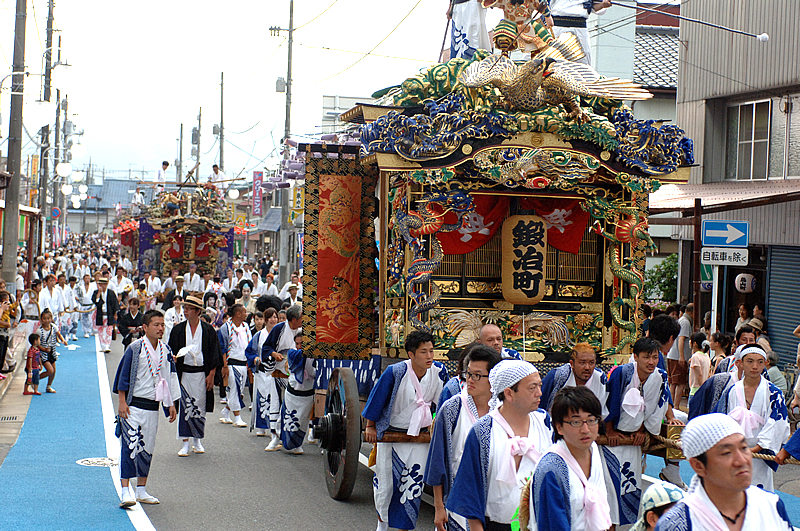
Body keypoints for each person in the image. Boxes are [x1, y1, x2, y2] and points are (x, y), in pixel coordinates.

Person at [447, 360, 551, 531]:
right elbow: (469, 490)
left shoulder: (545, 422)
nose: (539, 393)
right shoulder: (483, 431)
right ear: (509, 393)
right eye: (532, 388)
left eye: (540, 386)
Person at [363, 331, 450, 531]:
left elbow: (443, 402)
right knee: (386, 485)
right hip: (392, 435)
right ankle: (381, 525)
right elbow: (377, 400)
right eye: (423, 352)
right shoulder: (396, 372)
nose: (429, 356)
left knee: (413, 483)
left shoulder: (439, 371)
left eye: (431, 351)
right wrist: (371, 426)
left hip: (420, 436)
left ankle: (404, 528)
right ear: (411, 355)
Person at [655, 413, 793, 531]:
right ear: (698, 465)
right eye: (727, 453)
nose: (741, 460)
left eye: (744, 448)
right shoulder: (678, 523)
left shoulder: (771, 505)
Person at [603, 337, 683, 526]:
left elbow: (654, 407)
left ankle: (626, 526)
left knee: (629, 487)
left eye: (655, 357)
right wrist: (608, 431)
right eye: (646, 357)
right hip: (613, 438)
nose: (651, 362)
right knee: (610, 488)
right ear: (635, 357)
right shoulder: (622, 374)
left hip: (634, 440)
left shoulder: (660, 377)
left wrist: (642, 431)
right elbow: (609, 402)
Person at [425, 344, 502, 531]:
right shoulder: (452, 408)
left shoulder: (503, 409)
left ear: (493, 378)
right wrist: (438, 507)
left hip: (496, 501)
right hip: (459, 501)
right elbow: (438, 461)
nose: (470, 380)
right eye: (468, 374)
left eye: (477, 375)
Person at [113, 310, 180, 508]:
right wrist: (122, 402)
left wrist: (170, 404)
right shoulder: (135, 348)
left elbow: (168, 378)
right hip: (133, 406)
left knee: (147, 447)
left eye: (162, 325)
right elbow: (123, 375)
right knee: (130, 446)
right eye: (156, 325)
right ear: (145, 327)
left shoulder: (166, 350)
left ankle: (141, 489)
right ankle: (126, 490)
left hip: (152, 406)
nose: (161, 328)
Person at [524, 386, 611, 531]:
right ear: (559, 427)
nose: (586, 429)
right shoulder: (552, 469)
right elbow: (553, 524)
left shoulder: (593, 450)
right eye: (576, 422)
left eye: (591, 420)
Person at [714, 345, 789, 492]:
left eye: (760, 362)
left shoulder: (774, 393)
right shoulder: (731, 391)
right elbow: (721, 420)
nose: (755, 366)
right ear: (740, 363)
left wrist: (756, 448)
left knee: (758, 497)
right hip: (734, 452)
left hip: (760, 454)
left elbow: (777, 424)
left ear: (766, 364)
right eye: (750, 361)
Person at [168, 295, 222, 457]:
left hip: (201, 374)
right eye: (184, 308)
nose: (185, 311)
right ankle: (185, 441)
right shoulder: (178, 330)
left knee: (199, 405)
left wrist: (211, 375)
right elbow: (170, 351)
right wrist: (173, 358)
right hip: (184, 373)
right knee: (185, 406)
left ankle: (197, 439)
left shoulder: (208, 330)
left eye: (189, 309)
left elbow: (215, 354)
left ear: (198, 311)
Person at [260, 304, 303, 451]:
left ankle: (295, 442)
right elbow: (266, 347)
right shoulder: (279, 329)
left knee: (294, 407)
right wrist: (274, 354)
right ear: (294, 319)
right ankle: (274, 438)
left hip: (297, 374)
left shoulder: (302, 331)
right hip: (279, 372)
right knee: (276, 404)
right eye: (301, 317)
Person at [540, 342, 608, 417]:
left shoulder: (600, 378)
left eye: (591, 363)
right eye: (582, 363)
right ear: (572, 364)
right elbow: (540, 403)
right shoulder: (559, 376)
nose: (587, 367)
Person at [279, 332, 315, 454]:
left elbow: (315, 372)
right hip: (293, 391)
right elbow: (293, 365)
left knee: (303, 420)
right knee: (289, 416)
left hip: (308, 392)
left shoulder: (314, 355)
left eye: (302, 343)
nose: (299, 346)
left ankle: (298, 444)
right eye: (297, 343)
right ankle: (287, 441)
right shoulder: (293, 353)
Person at [217, 303, 252, 428]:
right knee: (235, 389)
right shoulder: (225, 328)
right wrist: (224, 366)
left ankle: (226, 412)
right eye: (244, 312)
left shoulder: (246, 327)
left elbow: (249, 345)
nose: (246, 314)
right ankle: (237, 417)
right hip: (232, 363)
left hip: (243, 362)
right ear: (238, 313)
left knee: (238, 390)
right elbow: (223, 349)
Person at [549, 0, 612, 66]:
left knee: (583, 64)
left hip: (580, 27)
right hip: (557, 26)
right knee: (554, 61)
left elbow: (593, 7)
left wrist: (602, 5)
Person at [667, 303, 693, 410]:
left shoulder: (681, 320)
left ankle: (672, 405)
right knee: (679, 382)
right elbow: (681, 339)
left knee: (673, 382)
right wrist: (682, 356)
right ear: (691, 312)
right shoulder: (685, 322)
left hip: (673, 355)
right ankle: (675, 406)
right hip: (678, 356)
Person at [92, 277, 119, 353]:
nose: (102, 286)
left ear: (107, 284)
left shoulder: (111, 293)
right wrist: (99, 294)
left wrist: (115, 314)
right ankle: (103, 346)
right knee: (101, 330)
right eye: (101, 284)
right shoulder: (96, 292)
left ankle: (107, 346)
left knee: (108, 330)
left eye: (104, 284)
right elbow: (95, 302)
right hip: (101, 314)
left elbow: (115, 304)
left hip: (109, 314)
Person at [688, 332, 710, 402]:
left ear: (694, 343)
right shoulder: (706, 355)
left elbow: (699, 374)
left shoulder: (696, 357)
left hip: (696, 390)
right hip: (703, 388)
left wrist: (702, 388)